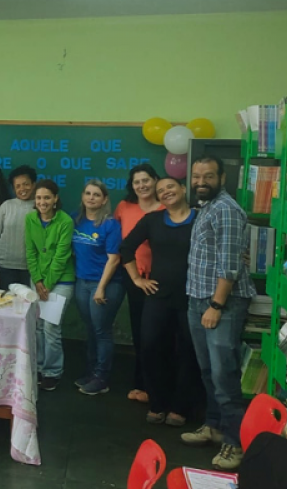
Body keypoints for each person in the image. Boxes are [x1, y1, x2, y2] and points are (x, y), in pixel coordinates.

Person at [180, 156, 255, 472]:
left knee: (224, 375)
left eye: (208, 176)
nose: (200, 181)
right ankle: (212, 425)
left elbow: (229, 267)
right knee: (208, 370)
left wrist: (216, 306)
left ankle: (234, 442)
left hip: (219, 304)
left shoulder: (225, 210)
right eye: (196, 176)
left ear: (222, 178)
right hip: (198, 299)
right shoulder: (206, 206)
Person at [120, 177, 201, 427]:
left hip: (192, 297)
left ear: (183, 189)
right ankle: (158, 403)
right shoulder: (152, 220)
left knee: (188, 351)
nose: (166, 192)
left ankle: (180, 407)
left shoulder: (200, 218)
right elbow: (126, 248)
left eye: (170, 187)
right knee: (151, 347)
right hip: (158, 296)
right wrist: (137, 279)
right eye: (161, 190)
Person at [113, 163, 164, 405]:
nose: (142, 185)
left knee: (159, 334)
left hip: (160, 278)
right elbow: (118, 242)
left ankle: (159, 384)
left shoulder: (167, 208)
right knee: (139, 332)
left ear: (155, 180)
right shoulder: (124, 207)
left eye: (146, 180)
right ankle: (140, 382)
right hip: (133, 277)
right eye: (137, 182)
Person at [71, 179, 125, 397]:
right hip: (81, 282)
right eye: (88, 193)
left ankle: (102, 378)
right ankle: (92, 373)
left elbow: (114, 259)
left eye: (96, 194)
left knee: (102, 331)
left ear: (104, 200)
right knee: (91, 329)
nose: (91, 198)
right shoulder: (77, 221)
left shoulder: (110, 225)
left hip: (106, 284)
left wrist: (101, 288)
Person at [23, 179, 75, 392]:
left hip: (60, 281)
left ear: (55, 199)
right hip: (37, 281)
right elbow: (30, 252)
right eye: (39, 198)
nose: (42, 202)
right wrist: (37, 281)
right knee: (36, 327)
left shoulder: (65, 221)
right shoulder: (30, 219)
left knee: (51, 327)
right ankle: (38, 368)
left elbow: (61, 257)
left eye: (47, 197)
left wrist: (47, 285)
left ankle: (52, 372)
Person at [0, 165, 37, 288]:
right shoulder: (6, 206)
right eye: (18, 186)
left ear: (33, 184)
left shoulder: (40, 207)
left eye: (26, 184)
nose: (22, 189)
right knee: (8, 304)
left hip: (31, 269)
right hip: (5, 268)